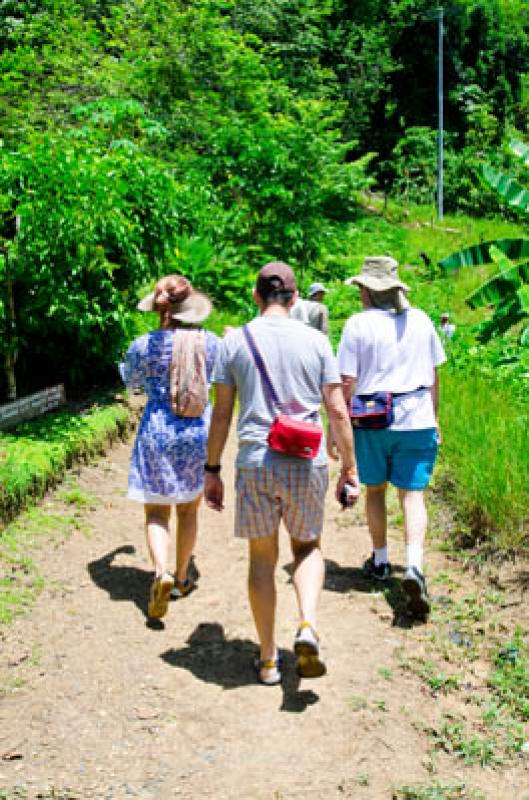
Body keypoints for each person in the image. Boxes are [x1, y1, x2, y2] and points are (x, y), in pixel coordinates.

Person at [204, 261, 359, 685]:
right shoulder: (316, 341)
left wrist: (212, 469)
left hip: (255, 461)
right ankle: (307, 625)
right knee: (307, 548)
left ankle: (269, 659)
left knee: (261, 558)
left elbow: (220, 415)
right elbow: (338, 410)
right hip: (306, 462)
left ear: (255, 296)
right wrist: (349, 466)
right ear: (295, 299)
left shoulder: (234, 342)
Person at [337, 256, 446, 620]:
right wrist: (435, 419)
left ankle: (381, 561)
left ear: (367, 290)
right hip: (417, 417)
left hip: (372, 421)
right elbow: (433, 377)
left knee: (376, 490)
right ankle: (413, 565)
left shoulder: (357, 325)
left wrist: (340, 428)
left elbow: (347, 382)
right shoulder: (422, 320)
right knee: (412, 494)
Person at [120, 275, 219, 620]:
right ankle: (180, 578)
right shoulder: (210, 342)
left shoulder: (143, 345)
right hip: (197, 433)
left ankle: (159, 571)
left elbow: (132, 384)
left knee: (157, 512)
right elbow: (223, 378)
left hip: (157, 433)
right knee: (188, 512)